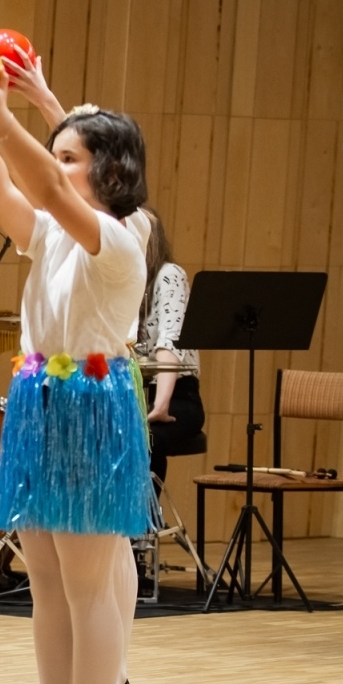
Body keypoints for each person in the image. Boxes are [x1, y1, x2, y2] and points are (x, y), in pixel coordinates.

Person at [0, 57, 153, 684]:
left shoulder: (120, 237)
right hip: (38, 404)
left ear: (110, 172)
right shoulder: (58, 234)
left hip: (93, 410)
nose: (55, 167)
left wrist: (4, 116)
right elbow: (5, 189)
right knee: (46, 579)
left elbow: (39, 180)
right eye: (55, 154)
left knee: (86, 580)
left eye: (71, 158)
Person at [136, 207, 203, 482]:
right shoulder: (123, 281)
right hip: (134, 394)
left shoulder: (169, 275)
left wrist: (161, 404)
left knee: (139, 439)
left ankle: (144, 522)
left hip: (176, 397)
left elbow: (169, 342)